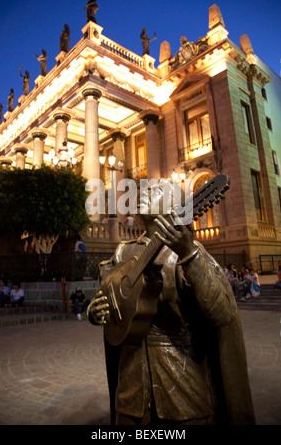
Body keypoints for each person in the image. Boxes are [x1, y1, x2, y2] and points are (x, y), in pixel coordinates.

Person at [88, 178, 255, 426]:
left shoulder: (187, 251)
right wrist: (95, 310)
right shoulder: (122, 251)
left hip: (180, 382)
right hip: (131, 386)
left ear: (174, 206)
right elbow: (106, 296)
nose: (143, 192)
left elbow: (221, 313)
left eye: (154, 191)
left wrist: (189, 255)